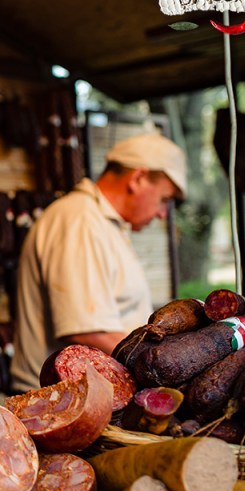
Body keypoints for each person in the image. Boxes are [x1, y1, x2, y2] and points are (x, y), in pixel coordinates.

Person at [11, 130, 187, 393]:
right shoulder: (79, 220)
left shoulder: (102, 224)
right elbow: (89, 330)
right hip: (57, 407)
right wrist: (166, 366)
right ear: (138, 178)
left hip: (81, 403)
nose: (163, 214)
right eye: (164, 199)